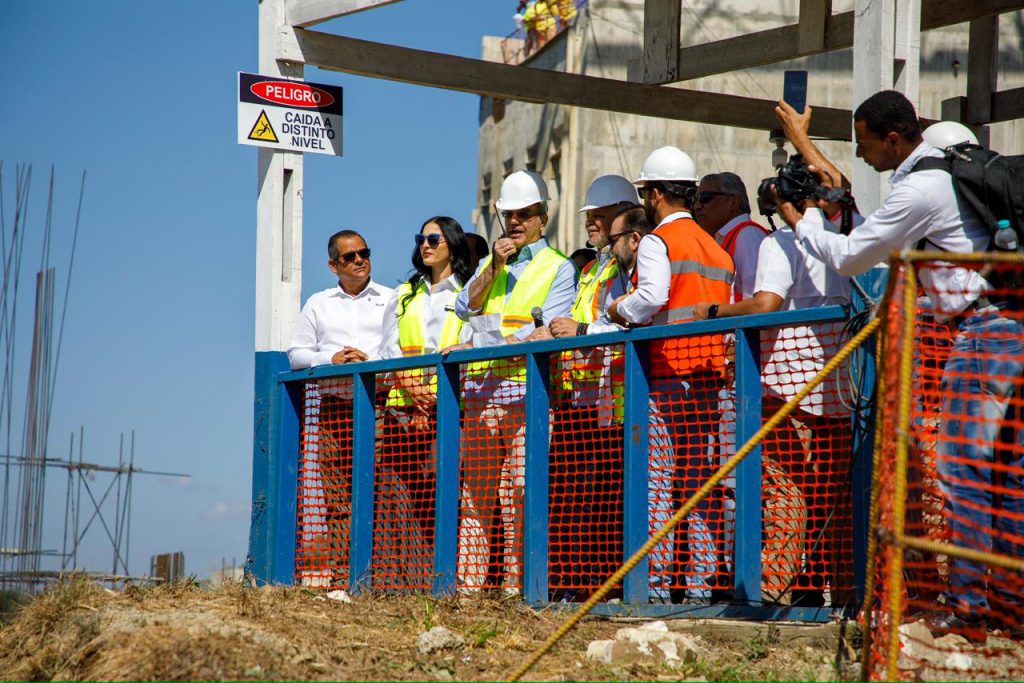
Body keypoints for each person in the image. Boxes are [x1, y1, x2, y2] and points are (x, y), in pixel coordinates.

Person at [775, 90, 1022, 640]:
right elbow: (874, 224)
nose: (860, 155)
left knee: (963, 472)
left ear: (892, 139)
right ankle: (1009, 606)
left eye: (864, 144)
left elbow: (851, 255)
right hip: (1009, 326)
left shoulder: (919, 188)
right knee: (1007, 475)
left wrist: (805, 220)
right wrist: (808, 154)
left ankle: (970, 609)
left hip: (984, 334)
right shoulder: (947, 175)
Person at [692, 209, 853, 606]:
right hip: (836, 390)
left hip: (786, 388)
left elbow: (767, 303)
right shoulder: (847, 237)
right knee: (832, 497)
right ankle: (834, 589)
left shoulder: (780, 241)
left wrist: (715, 312)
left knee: (784, 491)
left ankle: (772, 588)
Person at [608, 146, 735, 602]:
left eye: (646, 192)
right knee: (700, 484)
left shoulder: (658, 241)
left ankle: (655, 587)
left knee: (657, 483)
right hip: (708, 376)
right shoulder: (716, 247)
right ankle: (700, 585)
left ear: (656, 194)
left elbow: (650, 298)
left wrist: (616, 308)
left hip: (664, 374)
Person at [453, 169, 577, 591]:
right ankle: (469, 587)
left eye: (525, 214)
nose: (515, 222)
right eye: (509, 215)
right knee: (475, 496)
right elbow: (463, 307)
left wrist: (482, 345)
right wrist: (494, 267)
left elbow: (544, 331)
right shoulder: (494, 264)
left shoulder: (558, 267)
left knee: (522, 495)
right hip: (482, 395)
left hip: (529, 395)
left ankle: (515, 586)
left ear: (543, 218)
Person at [287, 229, 395, 584]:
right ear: (334, 265)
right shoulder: (318, 303)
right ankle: (341, 577)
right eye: (350, 256)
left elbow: (396, 352)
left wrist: (368, 362)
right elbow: (296, 354)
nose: (360, 260)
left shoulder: (391, 299)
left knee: (378, 493)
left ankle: (380, 578)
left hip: (379, 408)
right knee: (336, 499)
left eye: (364, 252)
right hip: (333, 410)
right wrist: (331, 359)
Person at [376, 217, 474, 581]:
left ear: (452, 244)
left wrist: (431, 398)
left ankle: (440, 578)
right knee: (397, 495)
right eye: (421, 238)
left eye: (434, 239)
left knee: (442, 492)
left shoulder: (468, 292)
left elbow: (470, 344)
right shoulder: (404, 293)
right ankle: (401, 582)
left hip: (448, 409)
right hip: (402, 410)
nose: (425, 245)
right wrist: (410, 385)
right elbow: (388, 348)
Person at [693, 172, 768, 303]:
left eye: (705, 197)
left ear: (733, 202)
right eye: (695, 200)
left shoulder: (748, 236)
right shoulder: (729, 236)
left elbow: (755, 300)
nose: (697, 206)